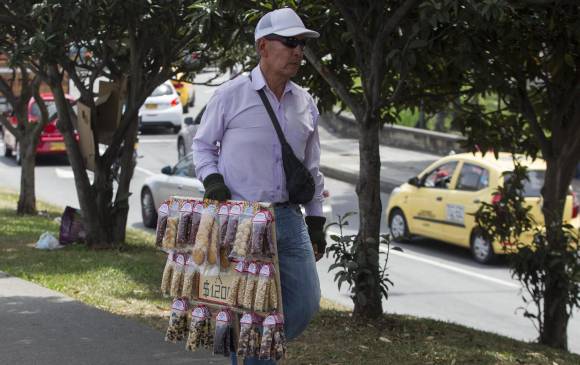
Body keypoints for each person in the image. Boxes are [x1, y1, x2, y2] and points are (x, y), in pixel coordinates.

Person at [192, 7, 325, 365]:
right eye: (290, 42)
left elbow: (312, 169)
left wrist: (316, 221)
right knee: (246, 307)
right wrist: (213, 179)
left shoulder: (305, 103)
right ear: (264, 47)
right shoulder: (230, 95)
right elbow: (202, 146)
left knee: (306, 302)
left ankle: (250, 351)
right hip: (240, 219)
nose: (299, 51)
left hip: (288, 218)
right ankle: (251, 354)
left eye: (302, 44)